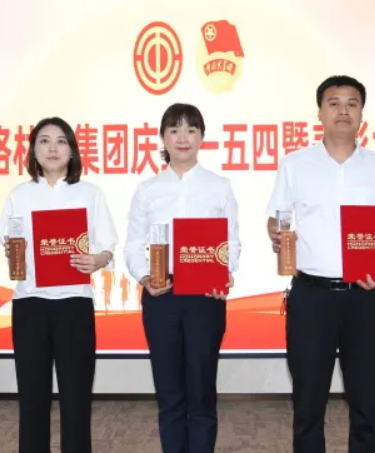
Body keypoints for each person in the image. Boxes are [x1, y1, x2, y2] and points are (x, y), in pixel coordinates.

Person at [266, 75, 375, 453]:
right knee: (308, 401)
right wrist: (277, 234)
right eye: (334, 103)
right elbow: (277, 219)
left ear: (362, 113)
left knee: (366, 400)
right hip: (311, 296)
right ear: (320, 112)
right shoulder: (295, 164)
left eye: (352, 103)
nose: (343, 111)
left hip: (363, 296)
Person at [124, 103, 241, 453]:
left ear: (202, 136)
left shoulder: (219, 186)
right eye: (174, 130)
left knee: (202, 392)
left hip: (206, 296)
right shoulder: (147, 189)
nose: (183, 137)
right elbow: (133, 244)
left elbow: (232, 241)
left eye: (191, 129)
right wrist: (145, 277)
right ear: (163, 138)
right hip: (162, 295)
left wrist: (225, 273)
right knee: (170, 393)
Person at [1, 117, 118, 453]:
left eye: (61, 141)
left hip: (74, 304)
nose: (52, 148)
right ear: (33, 150)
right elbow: (7, 241)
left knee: (76, 399)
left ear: (72, 150)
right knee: (32, 399)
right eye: (44, 140)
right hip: (30, 304)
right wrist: (11, 249)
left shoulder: (90, 193)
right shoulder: (19, 195)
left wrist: (99, 259)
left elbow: (108, 246)